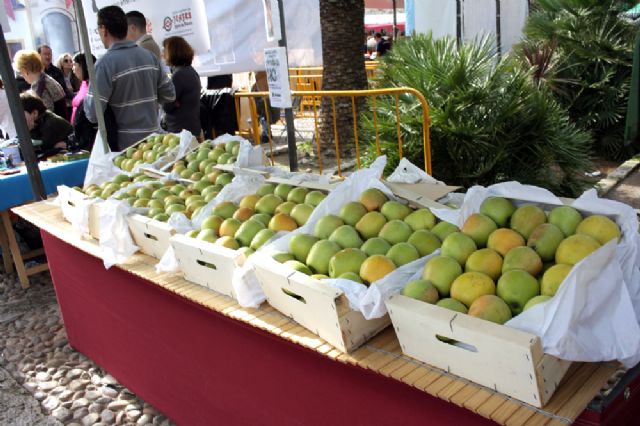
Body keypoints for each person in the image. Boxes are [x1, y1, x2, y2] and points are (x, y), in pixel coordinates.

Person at [84, 5, 175, 150]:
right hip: (156, 143)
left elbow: (93, 114)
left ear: (103, 29)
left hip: (127, 150)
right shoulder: (149, 57)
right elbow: (170, 95)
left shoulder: (104, 65)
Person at [162, 36, 201, 137]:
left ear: (173, 52)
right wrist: (175, 102)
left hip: (180, 131)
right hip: (189, 128)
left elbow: (167, 106)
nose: (163, 55)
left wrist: (170, 102)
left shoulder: (179, 75)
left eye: (165, 51)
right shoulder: (190, 71)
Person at [13, 49, 67, 118]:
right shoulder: (44, 79)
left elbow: (47, 113)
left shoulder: (41, 85)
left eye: (21, 73)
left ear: (25, 70)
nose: (22, 76)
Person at [71, 53, 98, 150]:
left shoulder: (95, 84)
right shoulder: (83, 83)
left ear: (83, 65)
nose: (73, 68)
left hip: (90, 134)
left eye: (75, 64)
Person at [38, 45, 72, 118]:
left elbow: (64, 90)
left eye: (49, 54)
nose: (47, 57)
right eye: (45, 54)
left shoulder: (57, 71)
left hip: (59, 109)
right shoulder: (36, 72)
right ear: (39, 55)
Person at [57, 53, 81, 119]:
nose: (69, 62)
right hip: (65, 107)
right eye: (66, 61)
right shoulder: (59, 76)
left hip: (75, 104)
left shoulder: (75, 75)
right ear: (61, 63)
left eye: (71, 61)